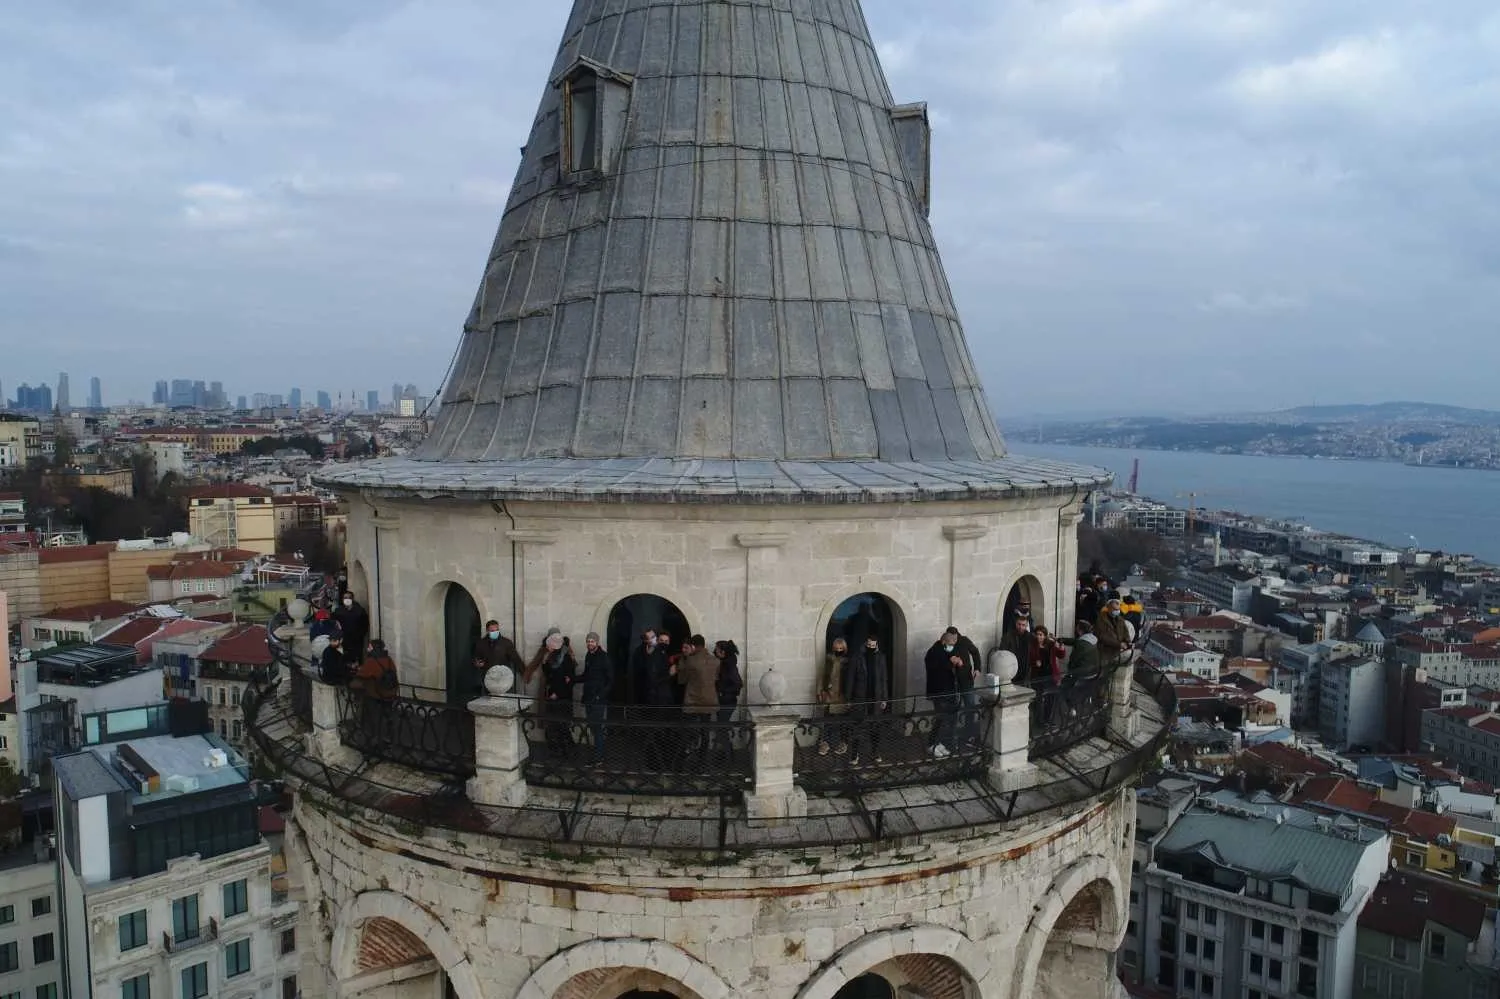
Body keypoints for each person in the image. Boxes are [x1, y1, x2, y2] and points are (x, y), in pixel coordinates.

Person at [843, 634, 888, 765]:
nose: (870, 647)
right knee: (857, 727)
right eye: (869, 645)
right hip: (860, 697)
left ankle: (875, 752)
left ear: (876, 645)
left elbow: (883, 679)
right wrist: (848, 699)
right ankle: (854, 754)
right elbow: (850, 679)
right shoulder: (856, 657)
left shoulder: (881, 657)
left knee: (875, 727)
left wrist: (884, 698)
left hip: (876, 698)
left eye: (873, 646)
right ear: (865, 644)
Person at [674, 635, 719, 759]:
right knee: (705, 732)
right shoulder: (715, 661)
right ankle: (702, 761)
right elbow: (715, 678)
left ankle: (688, 757)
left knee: (688, 731)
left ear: (693, 646)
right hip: (709, 701)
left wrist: (682, 662)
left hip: (693, 702)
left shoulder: (690, 661)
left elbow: (681, 680)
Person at [534, 632, 576, 756]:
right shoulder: (552, 656)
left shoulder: (566, 658)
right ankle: (560, 749)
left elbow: (567, 679)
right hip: (553, 695)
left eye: (549, 644)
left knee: (562, 724)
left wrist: (557, 693)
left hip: (562, 697)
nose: (547, 647)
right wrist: (545, 663)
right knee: (555, 724)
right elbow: (549, 674)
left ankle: (568, 750)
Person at [923, 631, 961, 758]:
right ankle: (931, 744)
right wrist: (952, 662)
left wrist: (956, 661)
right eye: (950, 644)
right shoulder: (934, 652)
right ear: (943, 641)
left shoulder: (946, 650)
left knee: (946, 719)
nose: (952, 647)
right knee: (940, 718)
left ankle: (938, 743)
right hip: (939, 691)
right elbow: (939, 669)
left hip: (948, 691)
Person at [579, 632, 612, 759]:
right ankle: (598, 753)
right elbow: (586, 675)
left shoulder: (604, 657)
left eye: (592, 641)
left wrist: (600, 695)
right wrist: (572, 679)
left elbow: (610, 679)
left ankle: (599, 756)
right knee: (593, 727)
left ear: (597, 642)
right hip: (589, 697)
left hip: (598, 699)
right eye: (588, 641)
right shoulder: (589, 655)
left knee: (597, 727)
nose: (590, 643)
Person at [473, 619, 526, 696]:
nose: (495, 632)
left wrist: (524, 672)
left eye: (497, 630)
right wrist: (477, 663)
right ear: (487, 631)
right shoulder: (481, 644)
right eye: (492, 630)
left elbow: (516, 659)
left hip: (503, 678)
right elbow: (476, 657)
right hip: (489, 679)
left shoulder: (506, 643)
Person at [818, 638, 850, 756]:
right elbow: (822, 676)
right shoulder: (828, 660)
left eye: (841, 648)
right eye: (837, 648)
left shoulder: (848, 662)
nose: (839, 650)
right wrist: (820, 691)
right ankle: (825, 744)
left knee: (843, 722)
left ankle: (843, 743)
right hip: (829, 696)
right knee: (827, 721)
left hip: (842, 697)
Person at [333, 594, 370, 666]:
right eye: (345, 597)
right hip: (344, 639)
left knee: (357, 657)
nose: (347, 599)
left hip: (356, 639)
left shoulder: (360, 610)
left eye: (349, 597)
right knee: (344, 658)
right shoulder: (339, 610)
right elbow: (334, 622)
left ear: (352, 599)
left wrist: (360, 634)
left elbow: (365, 624)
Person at [1095, 597, 1133, 665]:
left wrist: (1128, 642)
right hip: (1105, 651)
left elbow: (1125, 632)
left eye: (1118, 609)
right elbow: (1102, 636)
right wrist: (1118, 644)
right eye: (1115, 609)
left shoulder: (1120, 619)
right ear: (1109, 608)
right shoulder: (1101, 619)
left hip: (1117, 651)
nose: (1117, 611)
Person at [1000, 617, 1038, 683]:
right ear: (1016, 624)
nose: (1021, 627)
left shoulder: (1030, 637)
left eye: (1023, 625)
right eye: (1019, 624)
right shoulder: (1008, 636)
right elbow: (1003, 652)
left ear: (1026, 626)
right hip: (1011, 668)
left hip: (1025, 668)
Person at [713, 640, 742, 724]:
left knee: (722, 726)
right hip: (724, 700)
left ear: (723, 652)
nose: (715, 652)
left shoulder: (729, 665)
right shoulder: (725, 664)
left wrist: (723, 692)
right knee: (722, 726)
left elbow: (738, 683)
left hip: (727, 701)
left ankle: (722, 738)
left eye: (716, 649)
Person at [628, 629, 659, 706]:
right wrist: (648, 656)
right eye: (650, 637)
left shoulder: (660, 649)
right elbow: (639, 670)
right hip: (645, 689)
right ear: (645, 640)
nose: (654, 639)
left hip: (658, 688)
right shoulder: (639, 651)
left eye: (654, 636)